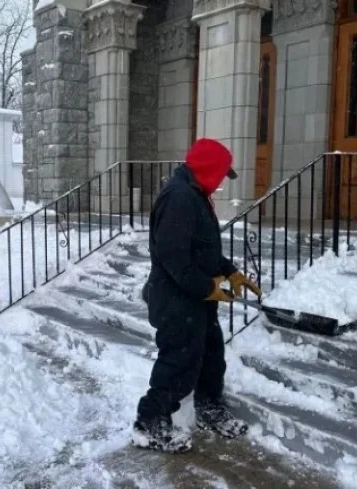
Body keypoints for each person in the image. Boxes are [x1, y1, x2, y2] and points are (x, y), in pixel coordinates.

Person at [132, 137, 262, 453]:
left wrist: (230, 272)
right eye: (220, 174)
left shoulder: (195, 194)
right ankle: (148, 421)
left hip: (195, 299)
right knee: (178, 361)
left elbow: (201, 250)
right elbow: (175, 257)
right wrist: (209, 287)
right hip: (177, 300)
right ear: (207, 170)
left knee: (209, 354)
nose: (221, 182)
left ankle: (207, 405)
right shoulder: (179, 198)